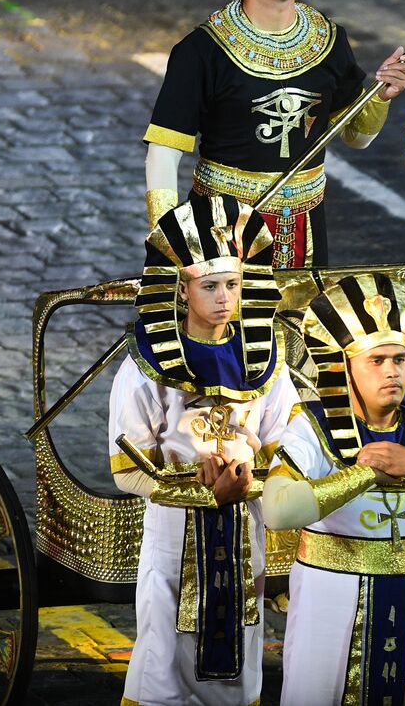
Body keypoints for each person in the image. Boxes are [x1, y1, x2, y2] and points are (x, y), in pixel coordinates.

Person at [143, 0, 405, 266]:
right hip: (223, 234)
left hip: (306, 231)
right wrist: (174, 243)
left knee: (302, 331)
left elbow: (356, 137)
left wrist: (382, 95)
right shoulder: (202, 52)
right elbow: (164, 152)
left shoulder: (328, 39)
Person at [263, 273, 405, 705]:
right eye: (376, 360)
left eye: (399, 359)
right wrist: (364, 474)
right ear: (345, 367)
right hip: (330, 599)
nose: (392, 371)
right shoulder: (312, 425)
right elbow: (277, 510)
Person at [108, 193, 298, 706]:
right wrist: (198, 490)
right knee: (166, 634)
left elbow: (289, 447)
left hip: (247, 522)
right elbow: (128, 468)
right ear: (180, 287)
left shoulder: (266, 363)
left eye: (233, 284)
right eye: (209, 285)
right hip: (173, 532)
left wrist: (249, 483)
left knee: (244, 626)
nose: (223, 297)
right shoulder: (145, 368)